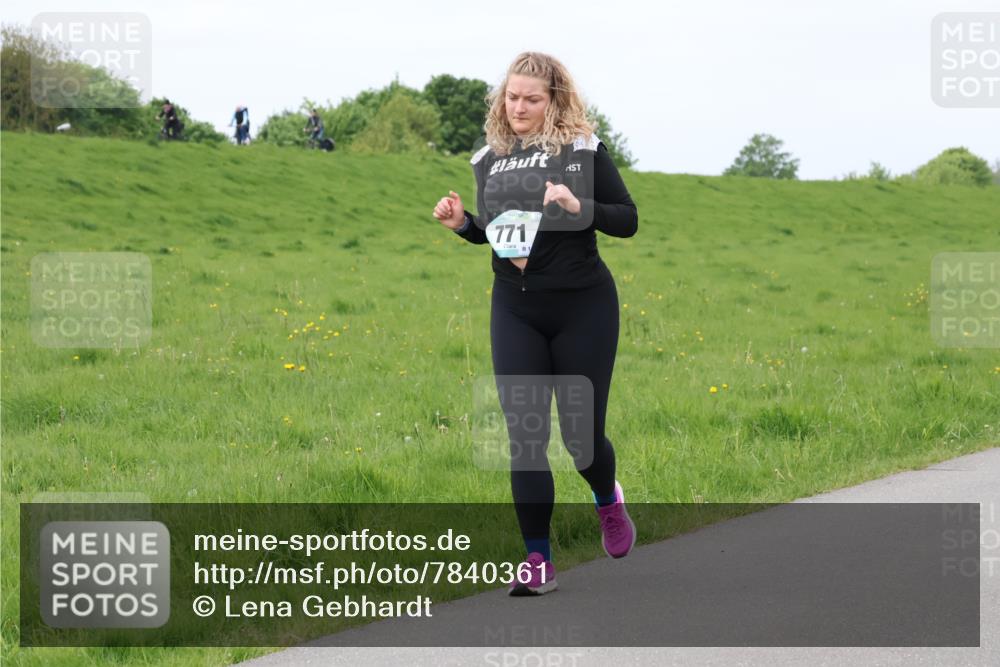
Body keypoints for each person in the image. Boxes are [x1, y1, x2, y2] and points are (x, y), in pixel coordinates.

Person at [432, 52, 639, 596]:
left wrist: (579, 204)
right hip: (515, 308)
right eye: (512, 96)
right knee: (524, 438)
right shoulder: (487, 158)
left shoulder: (583, 150)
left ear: (554, 100)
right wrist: (464, 225)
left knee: (581, 440)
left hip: (582, 306)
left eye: (532, 98)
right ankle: (538, 560)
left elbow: (628, 219)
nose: (518, 107)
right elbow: (499, 233)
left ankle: (607, 501)